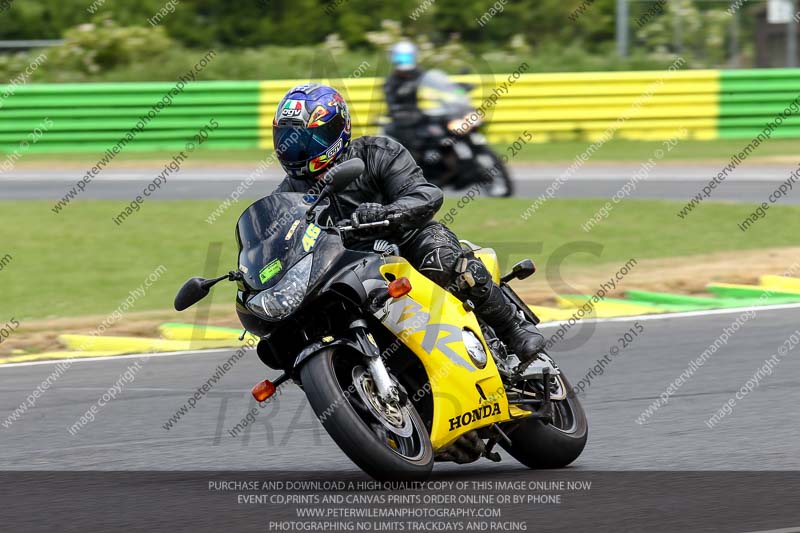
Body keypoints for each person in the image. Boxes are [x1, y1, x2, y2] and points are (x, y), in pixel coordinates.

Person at [272, 83, 544, 370]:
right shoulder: (286, 195)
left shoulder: (378, 152)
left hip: (407, 242)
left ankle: (513, 329)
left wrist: (389, 212)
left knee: (443, 261)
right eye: (291, 138)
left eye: (311, 138)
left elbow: (426, 194)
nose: (300, 149)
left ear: (339, 128)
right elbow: (280, 244)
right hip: (346, 270)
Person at [382, 41, 424, 154]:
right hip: (403, 121)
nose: (404, 61)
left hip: (424, 118)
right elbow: (390, 101)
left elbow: (437, 85)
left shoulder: (421, 75)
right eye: (401, 57)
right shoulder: (391, 81)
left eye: (407, 57)